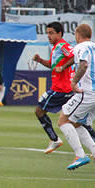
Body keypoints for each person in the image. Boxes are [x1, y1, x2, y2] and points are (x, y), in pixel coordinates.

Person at [32, 22, 74, 154]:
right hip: (64, 89)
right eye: (47, 33)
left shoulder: (63, 46)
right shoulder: (56, 48)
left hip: (60, 89)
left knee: (39, 111)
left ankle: (54, 139)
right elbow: (51, 64)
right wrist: (40, 60)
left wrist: (63, 67)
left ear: (59, 33)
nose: (48, 36)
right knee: (77, 120)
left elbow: (74, 56)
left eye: (51, 33)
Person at [58, 24, 95, 170]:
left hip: (86, 92)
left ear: (78, 34)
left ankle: (80, 155)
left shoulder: (80, 47)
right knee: (77, 123)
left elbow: (84, 65)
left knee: (63, 120)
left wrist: (73, 82)